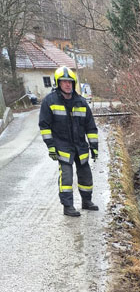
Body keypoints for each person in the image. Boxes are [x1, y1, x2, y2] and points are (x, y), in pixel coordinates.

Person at [38, 66, 99, 217]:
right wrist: (51, 146)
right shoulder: (49, 101)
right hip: (62, 145)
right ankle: (68, 206)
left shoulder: (81, 102)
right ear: (58, 83)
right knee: (66, 177)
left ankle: (86, 201)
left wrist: (94, 146)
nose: (68, 85)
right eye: (64, 82)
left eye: (70, 82)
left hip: (80, 146)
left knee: (85, 174)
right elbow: (44, 126)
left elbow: (90, 127)